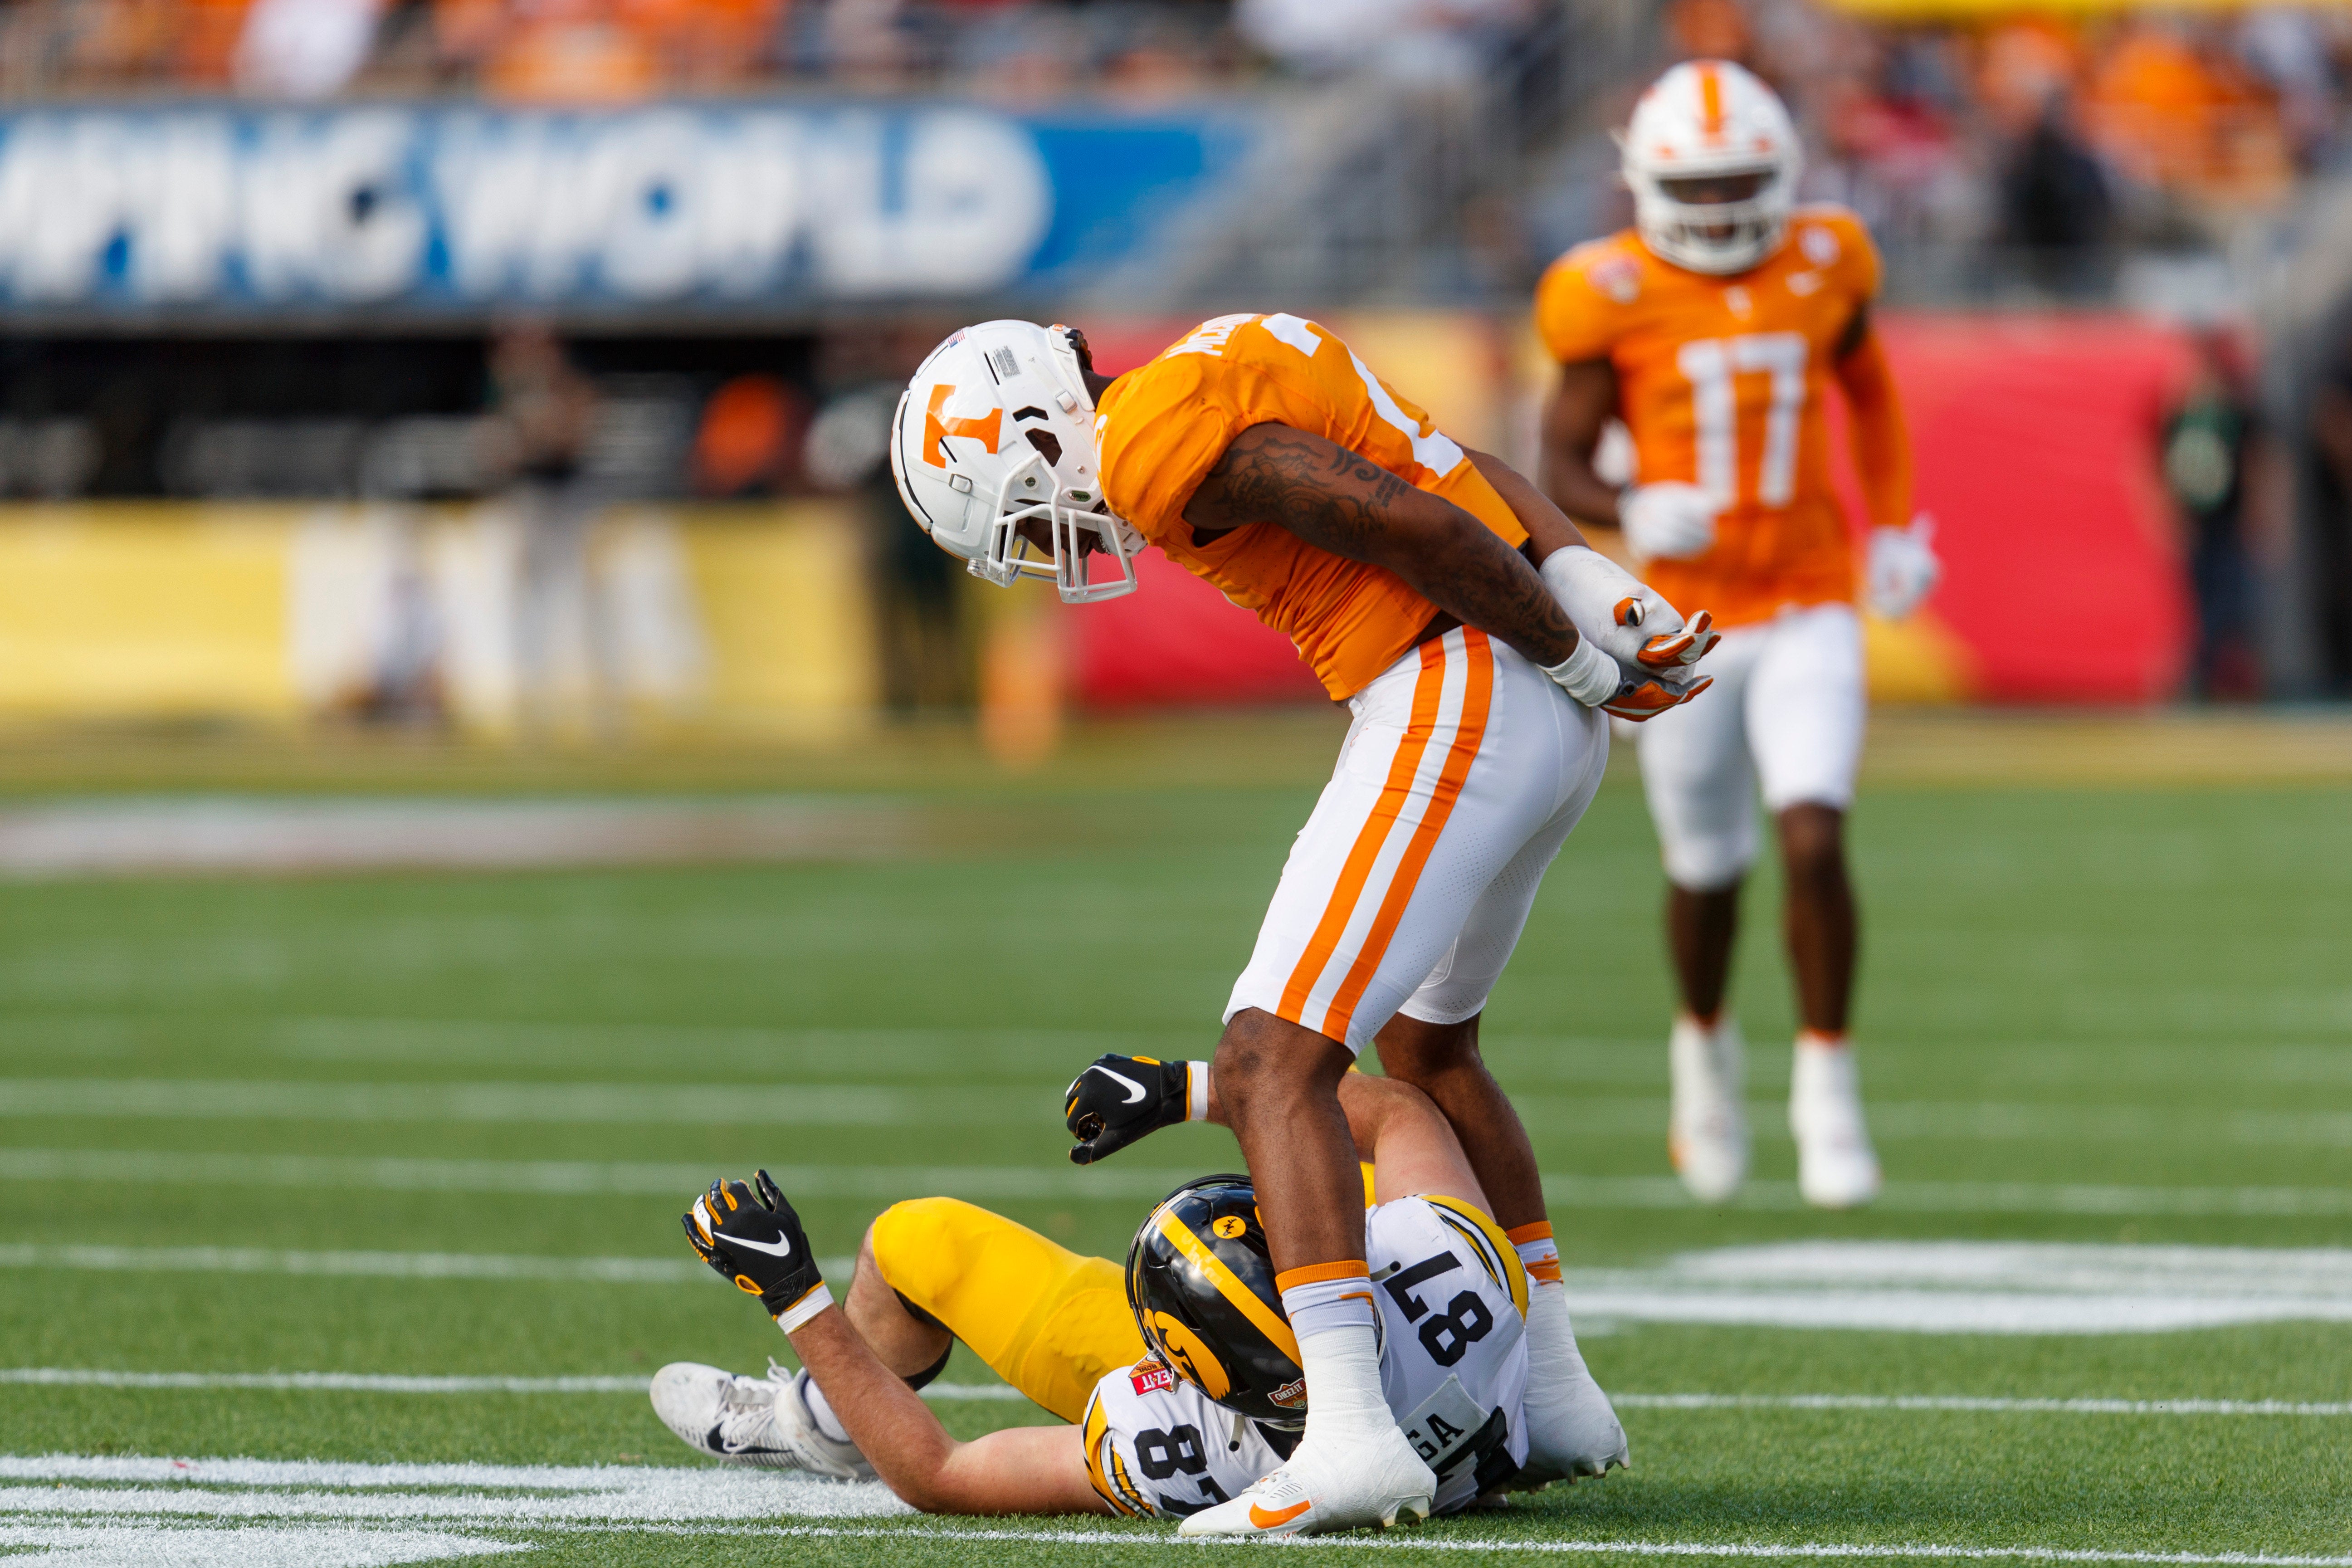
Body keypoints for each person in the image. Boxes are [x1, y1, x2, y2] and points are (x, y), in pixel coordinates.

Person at [883, 313, 1708, 1534]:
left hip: (1457, 691)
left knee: (1275, 1057)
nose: (1059, 543)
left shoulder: (1148, 439)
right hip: (1513, 698)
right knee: (1430, 1052)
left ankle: (1349, 1439)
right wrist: (1578, 577)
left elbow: (1410, 521)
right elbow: (1461, 468)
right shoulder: (1218, 360)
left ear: (1039, 437)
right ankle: (1554, 1387)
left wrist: (1573, 646)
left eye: (1028, 512)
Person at [1532, 61, 1942, 1211]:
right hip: (1683, 623)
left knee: (1814, 836)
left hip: (1810, 597)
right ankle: (1704, 1058)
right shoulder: (1599, 289)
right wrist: (1625, 503)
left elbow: (1872, 394)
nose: (1717, 212)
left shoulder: (1828, 258)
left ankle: (1827, 1088)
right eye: (1695, 188)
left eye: (1738, 185)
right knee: (1705, 868)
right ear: (1648, 184)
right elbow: (1557, 458)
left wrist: (1897, 526)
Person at [656, 1059, 1626, 1527]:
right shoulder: (1447, 1279)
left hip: (1287, 1415)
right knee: (1408, 1122)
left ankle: (817, 1418)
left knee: (915, 1242)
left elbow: (942, 1473)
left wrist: (796, 1297)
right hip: (1415, 1371)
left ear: (1172, 1368)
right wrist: (1199, 1093)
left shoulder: (1194, 1452)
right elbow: (1408, 1110)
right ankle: (1563, 1397)